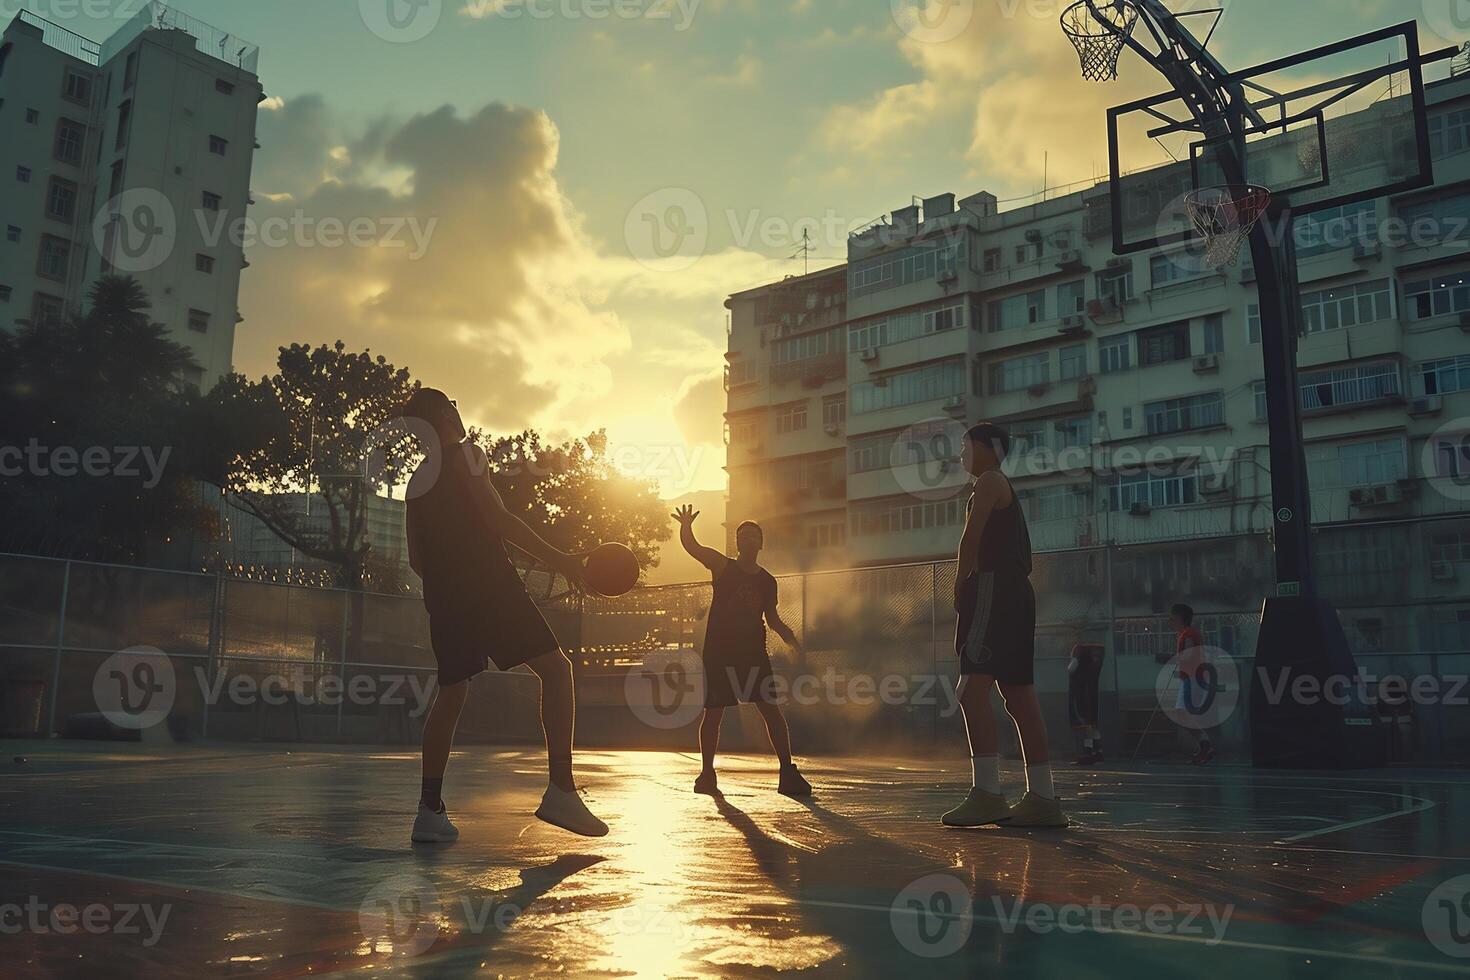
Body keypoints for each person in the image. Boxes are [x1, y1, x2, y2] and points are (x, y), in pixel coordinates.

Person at [402, 388, 607, 843]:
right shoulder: (466, 454)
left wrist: (450, 584)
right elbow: (499, 520)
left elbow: (417, 559)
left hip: (445, 598)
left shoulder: (416, 483)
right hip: (489, 587)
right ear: (446, 414)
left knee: (450, 695)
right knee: (556, 671)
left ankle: (428, 811)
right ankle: (560, 789)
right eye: (454, 405)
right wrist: (564, 561)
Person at [942, 422, 1067, 829]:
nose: (961, 453)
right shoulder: (999, 484)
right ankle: (1043, 798)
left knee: (970, 689)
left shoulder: (990, 481)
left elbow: (970, 538)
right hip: (1016, 594)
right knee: (1019, 699)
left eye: (966, 445)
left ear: (988, 449)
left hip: (994, 588)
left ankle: (988, 793)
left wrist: (960, 588)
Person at [671, 505, 811, 798]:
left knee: (770, 710)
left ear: (761, 543)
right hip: (720, 653)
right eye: (742, 535)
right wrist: (685, 526)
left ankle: (787, 772)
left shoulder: (767, 581)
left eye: (753, 535)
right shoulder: (723, 566)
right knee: (714, 713)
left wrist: (791, 640)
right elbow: (693, 547)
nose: (747, 539)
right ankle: (707, 774)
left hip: (752, 653)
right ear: (737, 543)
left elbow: (771, 619)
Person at [1161, 602, 1216, 766]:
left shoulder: (1189, 634)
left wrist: (1169, 659)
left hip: (1193, 680)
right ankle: (1204, 746)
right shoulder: (1185, 634)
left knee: (1182, 714)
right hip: (1189, 679)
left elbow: (1188, 655)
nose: (1169, 620)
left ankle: (1206, 746)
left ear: (1178, 617)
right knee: (1182, 714)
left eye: (1171, 616)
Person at [1068, 640, 1106, 766]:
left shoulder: (1079, 652)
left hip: (1081, 695)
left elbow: (1071, 668)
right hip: (1093, 695)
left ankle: (1088, 754)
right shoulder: (1097, 659)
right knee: (1093, 726)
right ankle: (1098, 753)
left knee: (1086, 726)